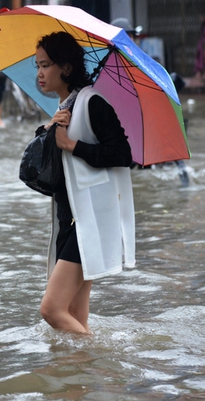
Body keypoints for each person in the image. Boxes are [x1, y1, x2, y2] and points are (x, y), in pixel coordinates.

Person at [33, 32, 135, 334]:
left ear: (65, 67)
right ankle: (80, 379)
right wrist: (49, 131)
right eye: (37, 66)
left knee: (51, 309)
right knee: (75, 312)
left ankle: (102, 360)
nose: (39, 73)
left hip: (89, 219)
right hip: (69, 219)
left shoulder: (92, 103)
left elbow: (123, 154)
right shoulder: (66, 108)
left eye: (46, 65)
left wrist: (71, 145)